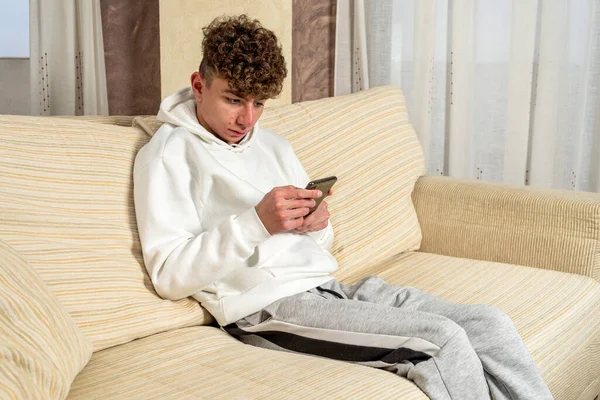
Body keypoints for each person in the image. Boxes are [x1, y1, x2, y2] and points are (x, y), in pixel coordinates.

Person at [133, 14, 552, 400]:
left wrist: (314, 224)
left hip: (328, 288)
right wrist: (256, 222)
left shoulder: (273, 144)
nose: (248, 119)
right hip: (264, 310)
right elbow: (169, 276)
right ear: (199, 84)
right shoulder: (167, 154)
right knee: (441, 340)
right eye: (234, 99)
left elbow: (318, 246)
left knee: (490, 325)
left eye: (259, 103)